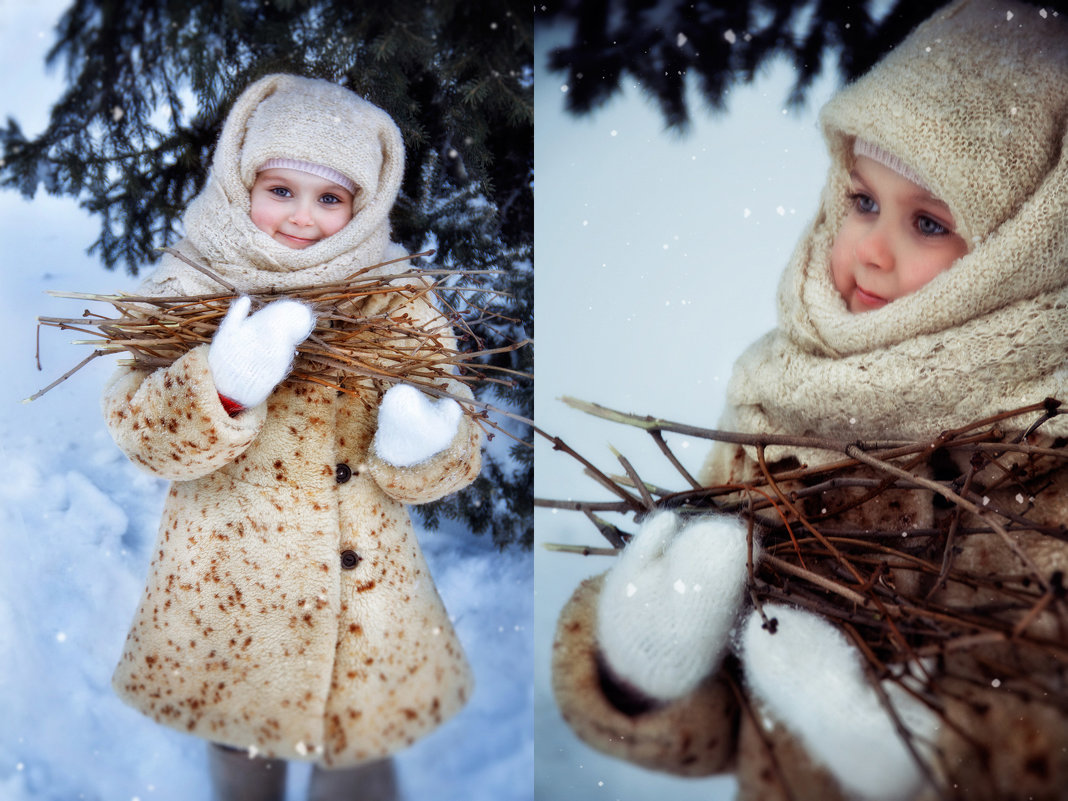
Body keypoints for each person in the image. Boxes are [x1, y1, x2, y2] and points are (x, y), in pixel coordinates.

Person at [551, 2, 1068, 799]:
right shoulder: (781, 389)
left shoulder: (1043, 451)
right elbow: (726, 726)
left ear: (1019, 255)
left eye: (928, 222)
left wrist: (935, 754)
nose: (870, 249)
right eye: (863, 201)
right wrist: (642, 669)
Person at [101, 74, 483, 801]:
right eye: (281, 190)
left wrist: (421, 444)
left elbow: (458, 436)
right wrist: (219, 388)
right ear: (240, 179)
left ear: (363, 205)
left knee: (359, 758)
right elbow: (136, 426)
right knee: (244, 752)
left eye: (330, 198)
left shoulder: (394, 297)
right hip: (227, 587)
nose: (302, 217)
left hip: (361, 594)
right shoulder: (190, 281)